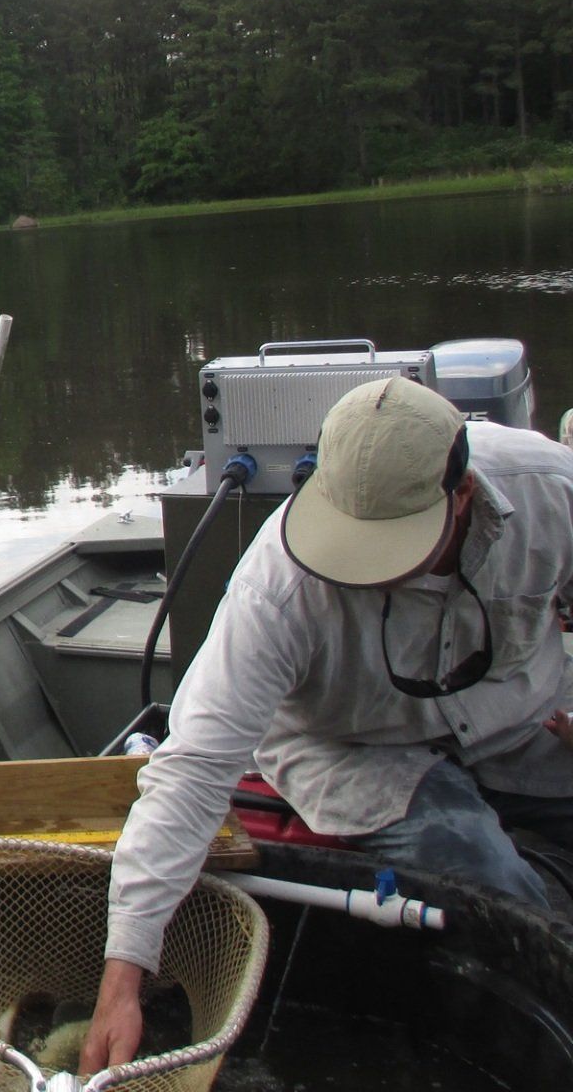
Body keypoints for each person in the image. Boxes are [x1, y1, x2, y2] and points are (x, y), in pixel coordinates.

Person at [81, 375, 573, 1076]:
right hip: (353, 749)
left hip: (522, 720)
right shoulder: (276, 584)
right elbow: (192, 772)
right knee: (498, 891)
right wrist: (122, 978)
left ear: (461, 498)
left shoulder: (550, 488)